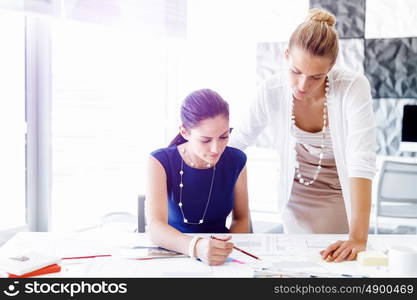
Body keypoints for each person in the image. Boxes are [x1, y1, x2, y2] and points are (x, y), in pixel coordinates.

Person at [229, 8, 376, 262]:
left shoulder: (352, 86)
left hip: (341, 198)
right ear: (286, 56)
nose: (302, 85)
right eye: (296, 71)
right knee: (298, 266)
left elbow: (361, 159)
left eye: (316, 77)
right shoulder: (272, 89)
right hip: (296, 200)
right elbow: (238, 142)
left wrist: (358, 237)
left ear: (331, 69)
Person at [146, 89, 250, 266]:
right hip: (174, 251)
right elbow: (155, 227)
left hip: (220, 256)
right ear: (185, 132)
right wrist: (196, 247)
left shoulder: (236, 160)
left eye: (224, 136)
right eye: (205, 140)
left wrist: (225, 248)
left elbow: (241, 219)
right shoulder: (160, 161)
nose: (216, 149)